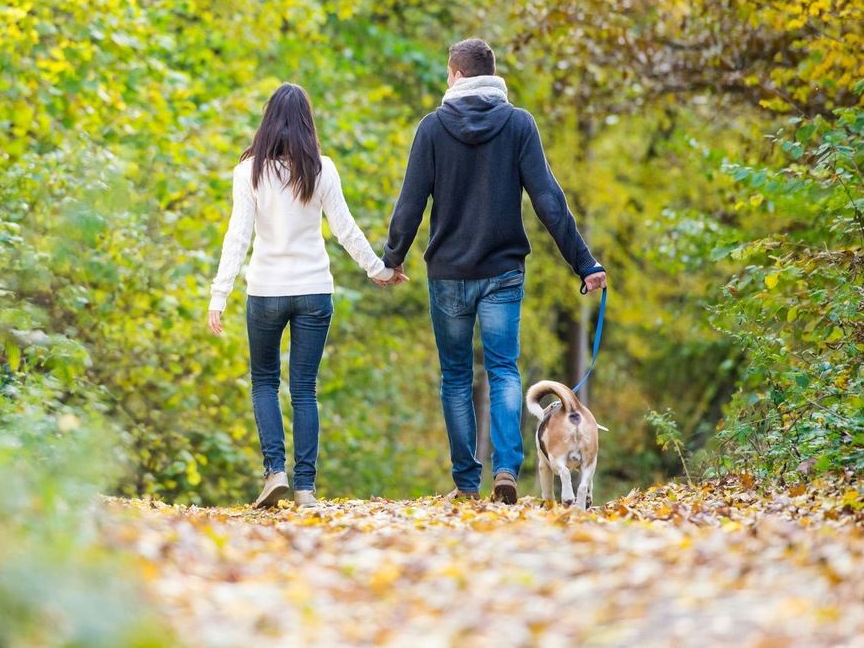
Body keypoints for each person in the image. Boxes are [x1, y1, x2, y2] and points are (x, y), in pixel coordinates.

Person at [380, 38, 607, 504]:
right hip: (503, 272)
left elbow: (410, 202)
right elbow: (549, 199)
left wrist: (392, 258)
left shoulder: (432, 128)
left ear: (457, 75)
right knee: (504, 369)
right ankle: (505, 469)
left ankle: (466, 481)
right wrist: (585, 263)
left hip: (448, 274)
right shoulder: (518, 124)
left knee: (456, 376)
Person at [209, 82, 398, 509]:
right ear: (307, 122)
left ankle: (275, 470)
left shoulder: (248, 172)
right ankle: (305, 488)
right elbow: (345, 228)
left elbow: (236, 238)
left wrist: (218, 294)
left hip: (265, 292)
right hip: (314, 290)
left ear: (267, 121)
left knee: (263, 382)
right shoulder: (321, 168)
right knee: (305, 389)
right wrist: (378, 269)